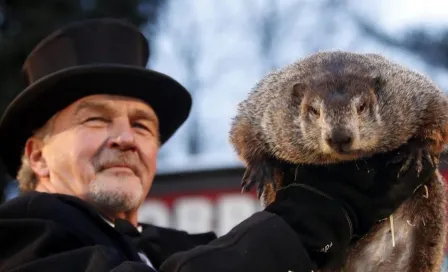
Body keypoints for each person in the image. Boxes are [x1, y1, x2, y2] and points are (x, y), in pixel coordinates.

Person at [0, 18, 435, 272]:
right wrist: (317, 213)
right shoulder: (22, 236)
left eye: (143, 126)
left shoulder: (180, 246)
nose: (126, 138)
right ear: (36, 155)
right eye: (95, 119)